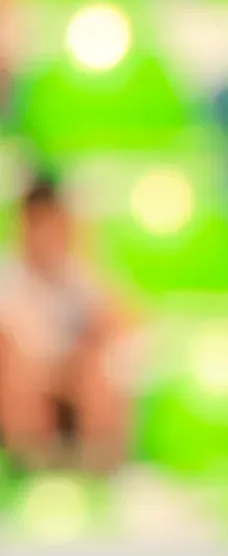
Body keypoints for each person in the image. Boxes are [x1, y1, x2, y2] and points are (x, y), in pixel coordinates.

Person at [0, 178, 125, 473]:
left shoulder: (78, 275)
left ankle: (99, 471)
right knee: (16, 372)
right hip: (23, 377)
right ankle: (28, 469)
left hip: (67, 377)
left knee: (99, 373)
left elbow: (122, 320)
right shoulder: (8, 276)